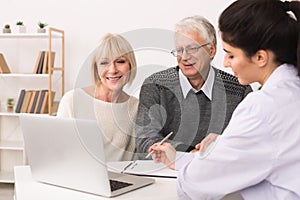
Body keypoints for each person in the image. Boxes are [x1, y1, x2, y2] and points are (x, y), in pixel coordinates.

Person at [151, 0, 300, 199]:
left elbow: (196, 184)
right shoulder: (290, 93)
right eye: (179, 50)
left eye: (230, 55)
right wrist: (221, 145)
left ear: (260, 57)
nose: (225, 63)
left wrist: (212, 152)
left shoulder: (261, 107)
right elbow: (267, 150)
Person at [135, 15, 252, 155]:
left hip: (220, 171)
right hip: (167, 172)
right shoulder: (155, 86)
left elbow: (248, 141)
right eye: (179, 50)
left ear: (212, 50)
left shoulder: (240, 89)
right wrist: (190, 153)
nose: (184, 57)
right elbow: (144, 139)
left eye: (192, 48)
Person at [57, 33, 138, 162]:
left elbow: (140, 157)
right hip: (79, 179)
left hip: (122, 179)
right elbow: (59, 152)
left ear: (131, 65)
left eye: (120, 61)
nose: (112, 70)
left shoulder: (136, 107)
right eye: (104, 63)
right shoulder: (72, 100)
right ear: (96, 68)